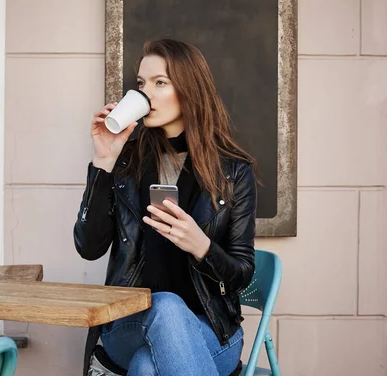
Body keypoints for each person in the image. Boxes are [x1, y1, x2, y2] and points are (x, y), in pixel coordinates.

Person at [74, 38, 257, 376]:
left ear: (189, 90)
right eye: (142, 84)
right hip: (129, 325)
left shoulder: (233, 172)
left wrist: (200, 245)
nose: (146, 95)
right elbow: (88, 246)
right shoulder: (126, 160)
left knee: (147, 366)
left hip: (211, 332)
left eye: (160, 83)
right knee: (166, 306)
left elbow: (242, 275)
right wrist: (103, 161)